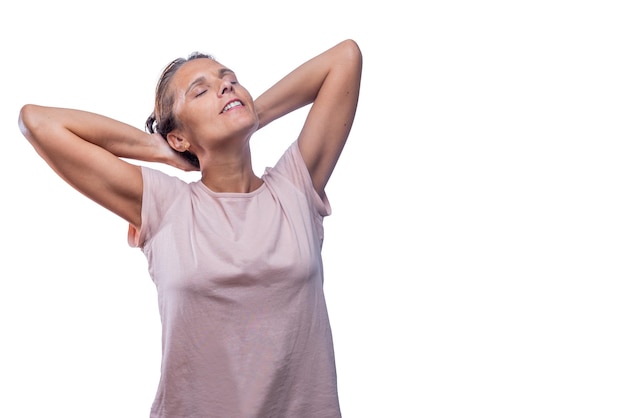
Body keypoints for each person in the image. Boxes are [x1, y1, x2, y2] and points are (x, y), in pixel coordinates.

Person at [18, 39, 362, 417]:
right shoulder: (167, 206)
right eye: (201, 91)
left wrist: (247, 111)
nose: (225, 86)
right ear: (179, 136)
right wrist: (163, 150)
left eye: (229, 80)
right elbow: (37, 122)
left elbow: (345, 58)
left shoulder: (295, 187)